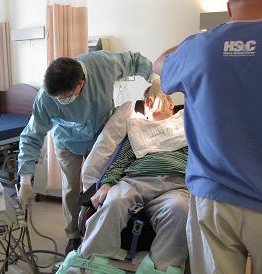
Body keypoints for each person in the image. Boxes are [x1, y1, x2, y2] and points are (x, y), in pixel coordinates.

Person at [154, 1, 262, 273]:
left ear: (228, 7)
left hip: (212, 200)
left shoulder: (198, 47)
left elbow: (159, 65)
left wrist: (196, 44)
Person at [18, 51, 153, 254]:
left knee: (100, 187)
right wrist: (25, 180)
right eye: (58, 99)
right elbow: (31, 136)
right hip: (67, 141)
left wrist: (157, 82)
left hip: (100, 136)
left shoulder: (103, 65)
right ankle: (73, 235)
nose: (60, 101)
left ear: (81, 83)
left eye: (65, 99)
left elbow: (134, 61)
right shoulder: (46, 98)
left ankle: (96, 229)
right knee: (71, 188)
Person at [57, 84, 189, 274]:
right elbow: (120, 159)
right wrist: (106, 184)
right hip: (135, 181)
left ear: (172, 107)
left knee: (180, 209)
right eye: (151, 100)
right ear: (146, 107)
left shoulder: (185, 127)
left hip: (175, 186)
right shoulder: (137, 129)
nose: (160, 103)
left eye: (167, 100)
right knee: (114, 200)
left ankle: (160, 268)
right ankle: (86, 262)